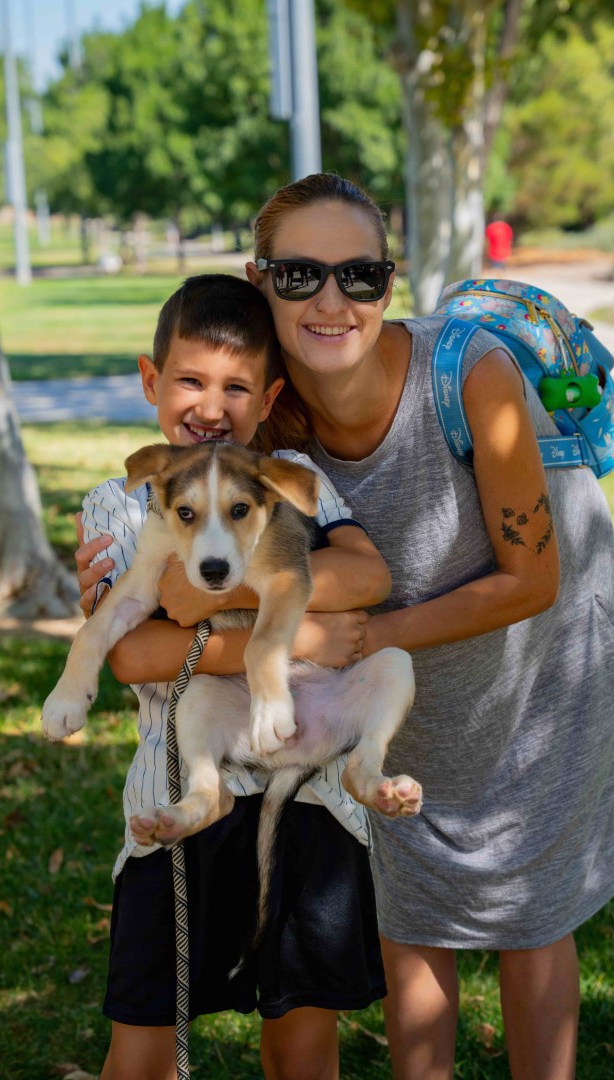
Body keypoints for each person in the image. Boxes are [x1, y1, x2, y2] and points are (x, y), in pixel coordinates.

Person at [248, 174, 614, 1079]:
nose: (331, 301)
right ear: (259, 279)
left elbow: (532, 579)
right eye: (299, 275)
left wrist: (372, 636)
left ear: (388, 283)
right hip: (405, 675)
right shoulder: (271, 415)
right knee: (413, 904)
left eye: (360, 275)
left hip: (541, 655)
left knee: (528, 900)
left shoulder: (471, 373)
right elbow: (187, 507)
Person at [73, 273, 392, 1080]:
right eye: (189, 379)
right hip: (178, 788)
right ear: (152, 381)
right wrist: (303, 632)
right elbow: (132, 653)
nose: (210, 406)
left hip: (311, 793)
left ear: (268, 395)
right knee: (146, 1035)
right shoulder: (121, 501)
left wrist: (221, 587)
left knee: (301, 1036)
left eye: (236, 387)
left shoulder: (286, 475)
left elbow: (365, 574)